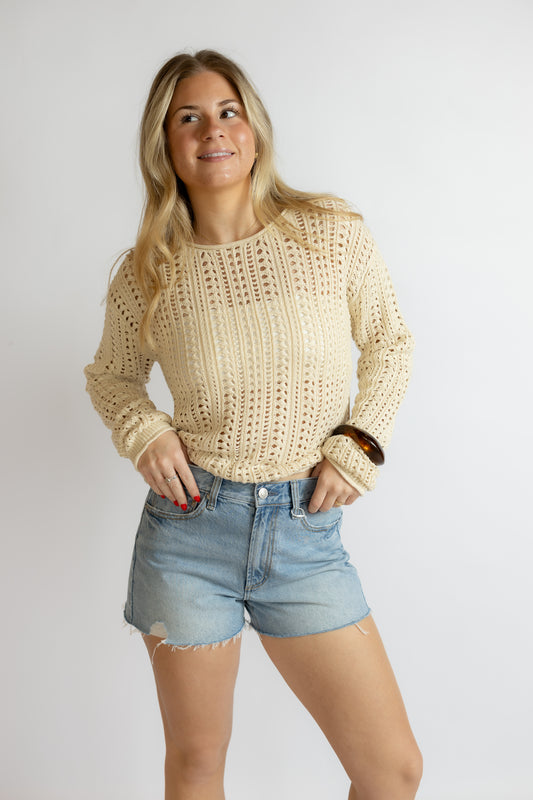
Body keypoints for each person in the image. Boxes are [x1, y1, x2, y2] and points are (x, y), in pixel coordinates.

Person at [84, 49, 422, 800]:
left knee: (392, 771)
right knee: (198, 763)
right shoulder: (149, 270)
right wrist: (145, 431)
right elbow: (109, 376)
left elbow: (391, 342)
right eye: (189, 117)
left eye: (227, 111)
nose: (213, 130)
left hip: (304, 534)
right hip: (188, 533)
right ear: (164, 144)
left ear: (255, 129)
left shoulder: (327, 231)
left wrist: (358, 443)